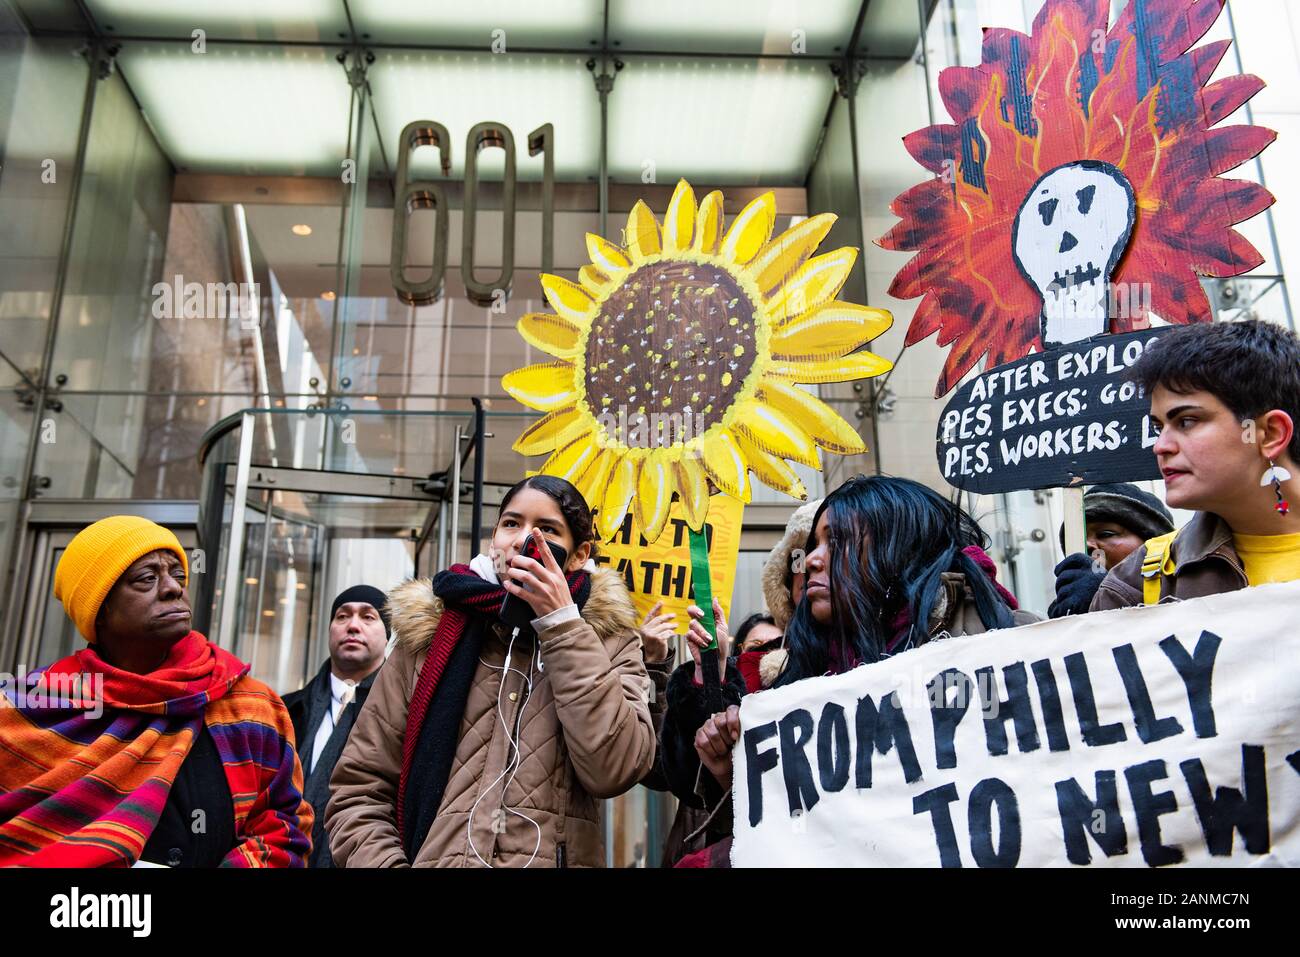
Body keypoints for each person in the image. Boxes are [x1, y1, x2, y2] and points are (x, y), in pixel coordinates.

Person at [661, 476, 1039, 866]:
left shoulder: (1008, 640)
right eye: (812, 547)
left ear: (898, 549)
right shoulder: (797, 676)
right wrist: (734, 777)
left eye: (835, 542)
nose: (811, 560)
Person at [326, 475, 655, 868]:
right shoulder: (429, 631)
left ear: (580, 553)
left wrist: (562, 624)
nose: (522, 540)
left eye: (547, 529)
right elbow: (359, 789)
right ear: (493, 538)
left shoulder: (608, 638)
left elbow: (615, 769)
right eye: (511, 524)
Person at [0, 516, 312, 867]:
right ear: (98, 609)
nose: (173, 588)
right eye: (147, 578)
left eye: (178, 575)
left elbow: (285, 826)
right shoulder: (30, 707)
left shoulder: (252, 706)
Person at [1092, 320, 1300, 609]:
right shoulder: (1136, 586)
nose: (1161, 446)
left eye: (1186, 421)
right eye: (1158, 427)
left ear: (1269, 433)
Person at [283, 584, 389, 867]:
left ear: (388, 634)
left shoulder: (404, 715)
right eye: (342, 616)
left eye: (368, 616)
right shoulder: (283, 711)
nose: (353, 625)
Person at [1048, 483, 1174, 618]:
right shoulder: (1057, 618)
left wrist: (1106, 598)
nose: (1087, 545)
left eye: (1106, 534)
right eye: (1078, 539)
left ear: (1154, 544)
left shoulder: (1186, 590)